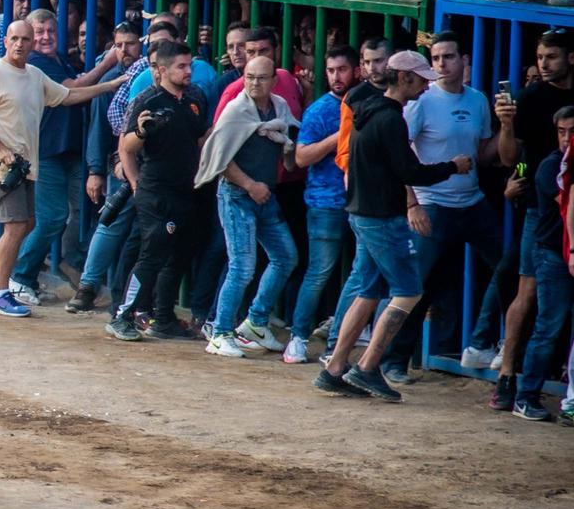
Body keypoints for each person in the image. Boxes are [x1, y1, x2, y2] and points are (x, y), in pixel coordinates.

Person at [314, 52, 475, 401]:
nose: (426, 86)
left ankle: (335, 368)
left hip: (363, 213)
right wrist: (453, 166)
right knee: (408, 291)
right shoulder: (389, 118)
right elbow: (409, 171)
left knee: (368, 291)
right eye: (420, 79)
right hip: (381, 218)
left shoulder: (368, 109)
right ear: (403, 78)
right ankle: (367, 367)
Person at [0, 20, 121, 317]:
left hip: (25, 164)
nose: (20, 44)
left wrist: (109, 86)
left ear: (32, 43)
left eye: (25, 39)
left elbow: (67, 96)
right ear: (5, 41)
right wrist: (1, 150)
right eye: (15, 39)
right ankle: (1, 293)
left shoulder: (34, 75)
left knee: (27, 223)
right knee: (16, 226)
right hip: (4, 167)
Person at [379, 31, 501, 390]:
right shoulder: (422, 101)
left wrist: (509, 126)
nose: (441, 64)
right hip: (432, 203)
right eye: (435, 58)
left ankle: (484, 344)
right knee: (417, 286)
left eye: (448, 57)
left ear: (465, 61)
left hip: (472, 200)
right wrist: (412, 203)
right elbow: (399, 157)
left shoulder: (478, 100)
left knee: (507, 268)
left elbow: (483, 155)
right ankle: (393, 360)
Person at [196, 56, 301, 357]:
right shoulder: (236, 110)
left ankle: (255, 322)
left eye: (261, 77)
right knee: (241, 267)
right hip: (237, 196)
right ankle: (220, 333)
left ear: (274, 81)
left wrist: (288, 150)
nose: (255, 83)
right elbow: (220, 159)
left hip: (265, 197)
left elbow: (286, 149)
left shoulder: (279, 107)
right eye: (249, 77)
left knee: (286, 257)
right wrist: (250, 185)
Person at [106, 41, 210, 342]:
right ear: (162, 70)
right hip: (156, 191)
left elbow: (200, 136)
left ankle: (163, 318)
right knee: (152, 254)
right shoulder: (147, 100)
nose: (188, 71)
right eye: (181, 66)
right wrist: (137, 183)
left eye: (189, 65)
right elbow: (127, 146)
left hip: (186, 190)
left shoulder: (194, 98)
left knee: (179, 254)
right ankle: (122, 315)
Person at [284, 44, 358, 364]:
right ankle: (298, 337)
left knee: (359, 275)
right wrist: (340, 136)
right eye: (330, 71)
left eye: (342, 70)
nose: (336, 76)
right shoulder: (319, 110)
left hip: (362, 203)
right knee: (319, 273)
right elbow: (301, 157)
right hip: (325, 202)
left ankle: (337, 342)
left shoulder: (366, 102)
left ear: (356, 70)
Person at [511, 106, 574, 420]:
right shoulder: (551, 166)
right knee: (548, 327)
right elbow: (566, 201)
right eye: (561, 132)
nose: (566, 138)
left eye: (572, 132)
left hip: (560, 254)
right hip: (553, 254)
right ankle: (526, 397)